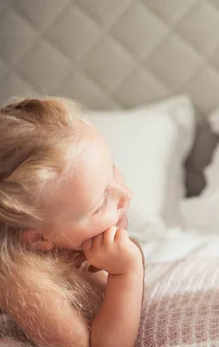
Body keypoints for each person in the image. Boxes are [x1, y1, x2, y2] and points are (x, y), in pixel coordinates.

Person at [0, 97, 144, 346]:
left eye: (113, 168)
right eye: (100, 203)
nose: (126, 194)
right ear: (38, 238)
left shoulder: (75, 242)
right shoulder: (25, 284)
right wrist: (127, 273)